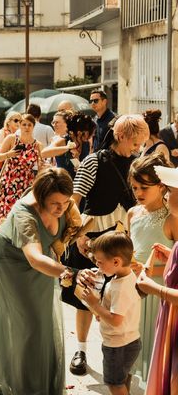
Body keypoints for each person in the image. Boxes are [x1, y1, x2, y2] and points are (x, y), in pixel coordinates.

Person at [0, 168, 74, 395]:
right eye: (55, 203)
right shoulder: (24, 214)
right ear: (40, 198)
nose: (61, 208)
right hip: (11, 260)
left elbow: (69, 231)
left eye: (65, 202)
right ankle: (24, 385)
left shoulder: (64, 201)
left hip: (41, 261)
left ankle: (41, 381)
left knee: (42, 318)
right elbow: (35, 258)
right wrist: (71, 273)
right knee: (28, 321)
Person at [66, 114, 149, 376]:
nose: (137, 148)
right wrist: (77, 235)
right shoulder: (93, 161)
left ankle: (118, 351)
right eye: (135, 143)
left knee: (119, 295)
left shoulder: (137, 164)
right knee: (85, 298)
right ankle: (80, 349)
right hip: (91, 236)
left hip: (124, 238)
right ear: (120, 136)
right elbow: (74, 200)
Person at [126, 154, 178, 385]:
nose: (138, 193)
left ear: (162, 185)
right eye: (135, 187)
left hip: (158, 294)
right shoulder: (132, 214)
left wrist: (151, 271)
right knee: (125, 355)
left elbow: (176, 265)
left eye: (144, 187)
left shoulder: (172, 219)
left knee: (155, 353)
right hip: (133, 291)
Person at [79, 232, 141, 395]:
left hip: (117, 345)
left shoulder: (120, 288)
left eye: (100, 262)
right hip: (130, 339)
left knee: (114, 384)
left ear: (116, 261)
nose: (98, 266)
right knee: (122, 379)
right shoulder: (126, 276)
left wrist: (95, 305)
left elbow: (116, 321)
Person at [0, 113, 43, 234]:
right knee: (7, 212)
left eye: (29, 125)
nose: (26, 127)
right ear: (19, 125)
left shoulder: (37, 145)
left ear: (33, 126)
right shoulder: (12, 139)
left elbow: (40, 165)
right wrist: (9, 154)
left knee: (25, 213)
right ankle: (3, 239)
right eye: (24, 124)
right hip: (10, 182)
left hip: (27, 185)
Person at [0, 111, 21, 230]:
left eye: (20, 121)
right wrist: (10, 147)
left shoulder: (21, 134)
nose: (19, 123)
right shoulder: (3, 132)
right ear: (8, 122)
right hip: (2, 170)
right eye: (16, 120)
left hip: (15, 171)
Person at [41, 111, 95, 180]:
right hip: (62, 182)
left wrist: (79, 165)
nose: (91, 136)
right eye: (89, 133)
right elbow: (43, 153)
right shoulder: (63, 141)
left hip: (78, 182)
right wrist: (67, 148)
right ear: (79, 132)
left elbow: (82, 167)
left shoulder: (86, 143)